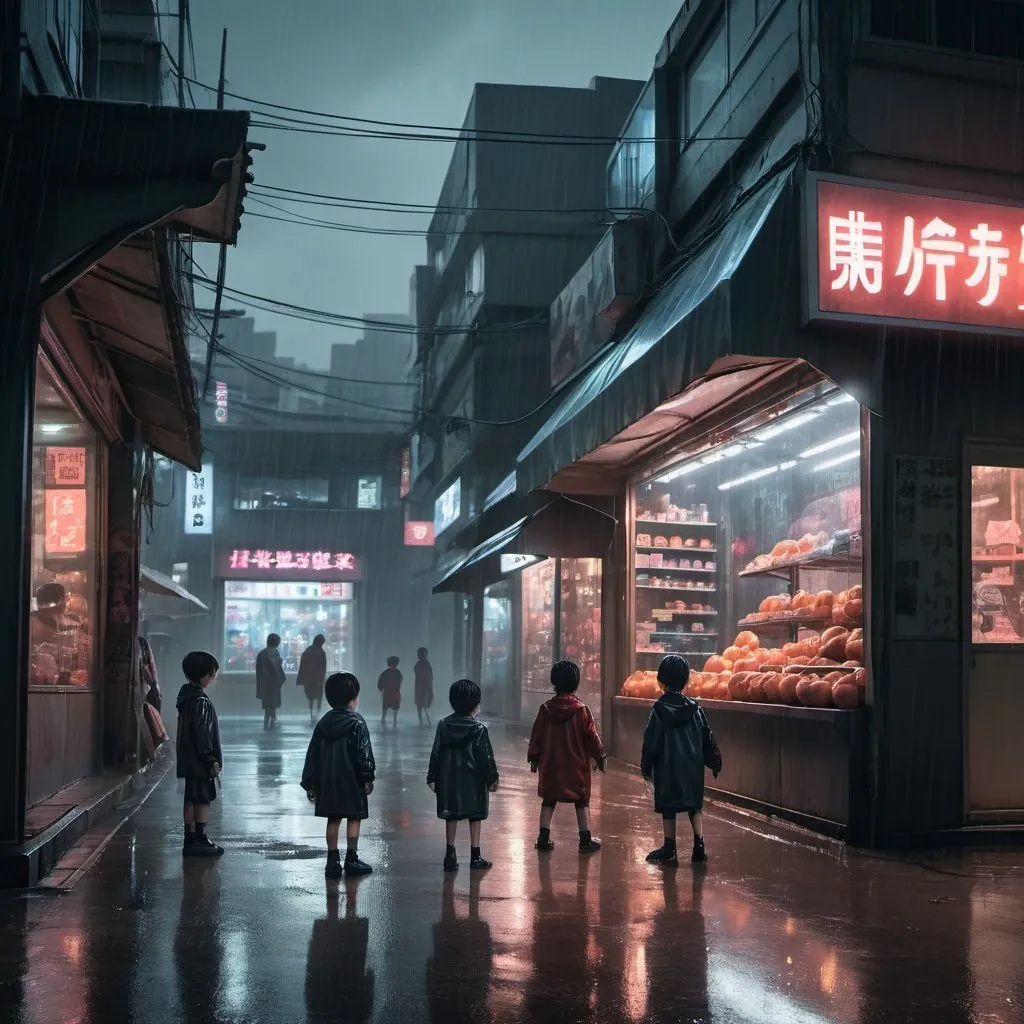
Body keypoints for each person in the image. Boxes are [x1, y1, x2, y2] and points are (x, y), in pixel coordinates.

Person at [640, 655, 722, 866]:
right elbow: (707, 736)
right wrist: (714, 761)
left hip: (667, 768)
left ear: (660, 681)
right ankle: (699, 845)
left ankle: (670, 847)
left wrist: (646, 765)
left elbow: (651, 740)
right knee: (694, 806)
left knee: (669, 807)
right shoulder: (696, 709)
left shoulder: (658, 710)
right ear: (687, 681)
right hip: (692, 767)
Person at [527, 660, 606, 854]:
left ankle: (543, 838)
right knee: (581, 802)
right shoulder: (582, 710)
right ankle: (585, 839)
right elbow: (591, 737)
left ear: (554, 683)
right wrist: (600, 756)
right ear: (576, 683)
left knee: (548, 800)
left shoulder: (545, 709)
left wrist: (534, 758)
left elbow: (536, 736)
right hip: (576, 768)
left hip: (551, 766)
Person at [301, 672, 375, 878]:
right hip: (352, 781)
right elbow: (364, 754)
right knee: (354, 817)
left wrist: (310, 782)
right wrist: (368, 777)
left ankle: (332, 861)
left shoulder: (323, 723)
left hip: (328, 781)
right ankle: (351, 859)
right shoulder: (357, 723)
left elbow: (312, 754)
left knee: (333, 819)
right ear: (353, 699)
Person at [427, 679, 499, 873]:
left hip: (448, 779)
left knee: (451, 815)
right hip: (474, 781)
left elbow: (436, 752)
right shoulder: (478, 730)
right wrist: (492, 778)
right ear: (475, 704)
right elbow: (485, 757)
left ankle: (450, 854)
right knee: (475, 816)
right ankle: (475, 855)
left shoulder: (444, 725)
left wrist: (432, 777)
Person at [176, 651, 224, 857]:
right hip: (200, 761)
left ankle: (189, 837)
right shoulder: (201, 702)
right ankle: (201, 838)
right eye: (213, 672)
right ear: (206, 675)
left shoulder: (186, 697)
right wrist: (210, 759)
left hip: (188, 759)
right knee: (202, 798)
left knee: (190, 797)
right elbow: (203, 733)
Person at [256, 633, 286, 730]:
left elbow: (259, 671)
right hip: (273, 682)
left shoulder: (262, 654)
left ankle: (267, 723)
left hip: (265, 683)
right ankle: (271, 722)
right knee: (273, 703)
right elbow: (278, 669)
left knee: (268, 704)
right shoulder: (276, 654)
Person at [297, 634, 328, 724]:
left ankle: (311, 715)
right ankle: (317, 715)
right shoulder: (321, 652)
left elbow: (302, 666)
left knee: (310, 697)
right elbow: (323, 667)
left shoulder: (307, 651)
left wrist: (301, 679)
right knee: (319, 698)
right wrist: (322, 679)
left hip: (308, 679)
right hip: (318, 679)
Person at [376, 655, 402, 728]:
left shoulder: (396, 672)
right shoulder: (388, 673)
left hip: (392, 692)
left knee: (394, 707)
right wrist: (380, 687)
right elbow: (380, 681)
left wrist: (380, 687)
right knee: (386, 707)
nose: (393, 666)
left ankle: (392, 720)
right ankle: (384, 719)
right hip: (389, 692)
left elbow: (399, 682)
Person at [414, 647, 434, 727]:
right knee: (420, 705)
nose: (422, 656)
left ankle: (425, 722)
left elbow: (430, 675)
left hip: (425, 687)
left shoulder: (425, 663)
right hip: (420, 687)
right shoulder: (420, 664)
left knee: (424, 705)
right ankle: (422, 722)